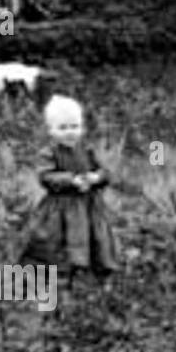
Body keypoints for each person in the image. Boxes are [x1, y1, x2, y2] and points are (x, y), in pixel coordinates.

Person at [20, 94, 119, 292]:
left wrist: (95, 178)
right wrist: (70, 180)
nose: (69, 133)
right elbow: (45, 176)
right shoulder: (49, 152)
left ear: (82, 128)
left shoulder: (87, 150)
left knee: (96, 239)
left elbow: (105, 172)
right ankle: (56, 279)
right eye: (62, 128)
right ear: (51, 130)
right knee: (59, 242)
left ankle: (94, 278)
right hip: (61, 209)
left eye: (74, 127)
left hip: (89, 206)